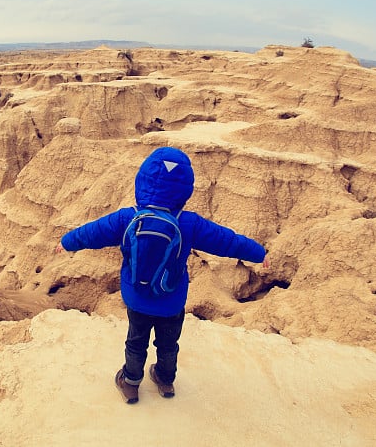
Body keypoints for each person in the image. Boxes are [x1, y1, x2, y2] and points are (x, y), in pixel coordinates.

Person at [56, 146, 269, 404]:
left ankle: (131, 383)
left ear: (142, 180)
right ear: (184, 189)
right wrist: (258, 254)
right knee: (168, 344)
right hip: (171, 299)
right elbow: (227, 241)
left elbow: (92, 233)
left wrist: (67, 242)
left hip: (136, 297)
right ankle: (165, 381)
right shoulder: (189, 223)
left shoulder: (127, 217)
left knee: (136, 341)